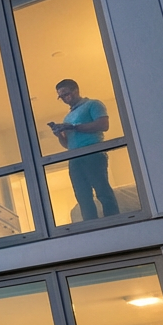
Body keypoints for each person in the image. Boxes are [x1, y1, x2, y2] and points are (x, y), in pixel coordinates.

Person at [49, 79, 118, 221]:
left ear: (76, 90)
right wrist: (59, 134)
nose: (64, 99)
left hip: (93, 153)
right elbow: (68, 144)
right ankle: (91, 223)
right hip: (75, 157)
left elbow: (103, 125)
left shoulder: (93, 104)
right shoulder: (68, 116)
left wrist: (73, 127)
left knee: (102, 189)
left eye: (66, 94)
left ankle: (114, 220)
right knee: (81, 195)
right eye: (61, 97)